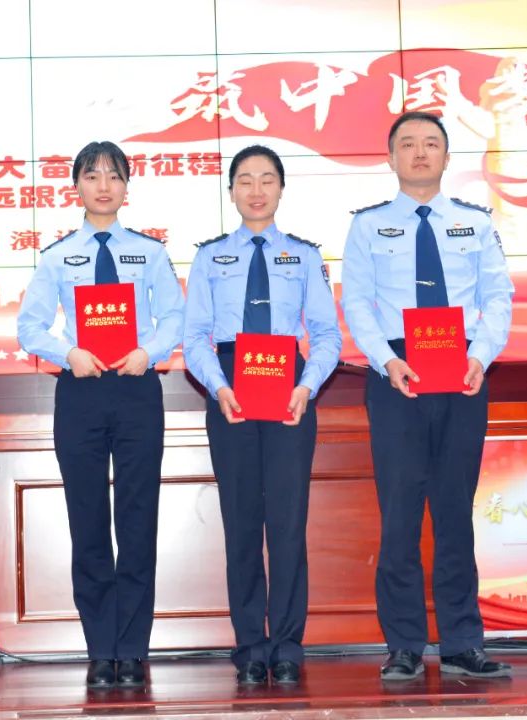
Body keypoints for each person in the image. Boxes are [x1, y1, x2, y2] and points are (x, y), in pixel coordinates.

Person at [341, 111, 514, 680]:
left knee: (455, 512)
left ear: (446, 156)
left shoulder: (474, 222)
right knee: (400, 514)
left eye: (431, 144)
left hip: (462, 372)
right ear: (391, 157)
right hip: (397, 374)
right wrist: (385, 360)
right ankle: (405, 644)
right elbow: (357, 301)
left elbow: (498, 295)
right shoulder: (368, 226)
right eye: (408, 144)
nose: (420, 153)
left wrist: (479, 357)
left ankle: (463, 642)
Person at [17, 140, 184, 689]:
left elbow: (175, 317)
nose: (104, 186)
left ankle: (131, 649)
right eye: (92, 176)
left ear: (127, 186)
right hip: (81, 392)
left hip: (136, 390)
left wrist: (148, 352)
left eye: (114, 175)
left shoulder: (150, 252)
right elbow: (29, 326)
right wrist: (67, 352)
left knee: (137, 520)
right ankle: (100, 648)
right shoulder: (58, 256)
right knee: (87, 520)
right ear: (77, 187)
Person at [183, 145, 342, 686]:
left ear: (281, 189)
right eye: (245, 180)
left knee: (289, 523)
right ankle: (251, 645)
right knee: (242, 522)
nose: (256, 190)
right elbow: (194, 336)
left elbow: (326, 334)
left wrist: (307, 386)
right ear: (231, 191)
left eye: (267, 179)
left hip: (289, 386)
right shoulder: (210, 257)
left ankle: (288, 646)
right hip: (230, 385)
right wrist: (219, 386)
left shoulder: (304, 256)